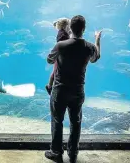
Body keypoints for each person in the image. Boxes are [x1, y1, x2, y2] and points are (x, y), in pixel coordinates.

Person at [45, 15, 102, 163]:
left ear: (70, 28)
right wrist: (97, 39)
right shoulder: (89, 47)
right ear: (83, 29)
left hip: (60, 90)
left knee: (57, 121)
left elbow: (49, 59)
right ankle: (73, 152)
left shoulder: (61, 46)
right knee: (75, 122)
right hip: (77, 91)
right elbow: (96, 57)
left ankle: (56, 152)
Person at [45, 18, 71, 95]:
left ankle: (49, 86)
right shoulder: (62, 34)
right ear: (66, 25)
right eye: (69, 25)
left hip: (60, 55)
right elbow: (62, 43)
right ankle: (50, 87)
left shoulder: (62, 32)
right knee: (55, 71)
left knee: (54, 71)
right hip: (60, 55)